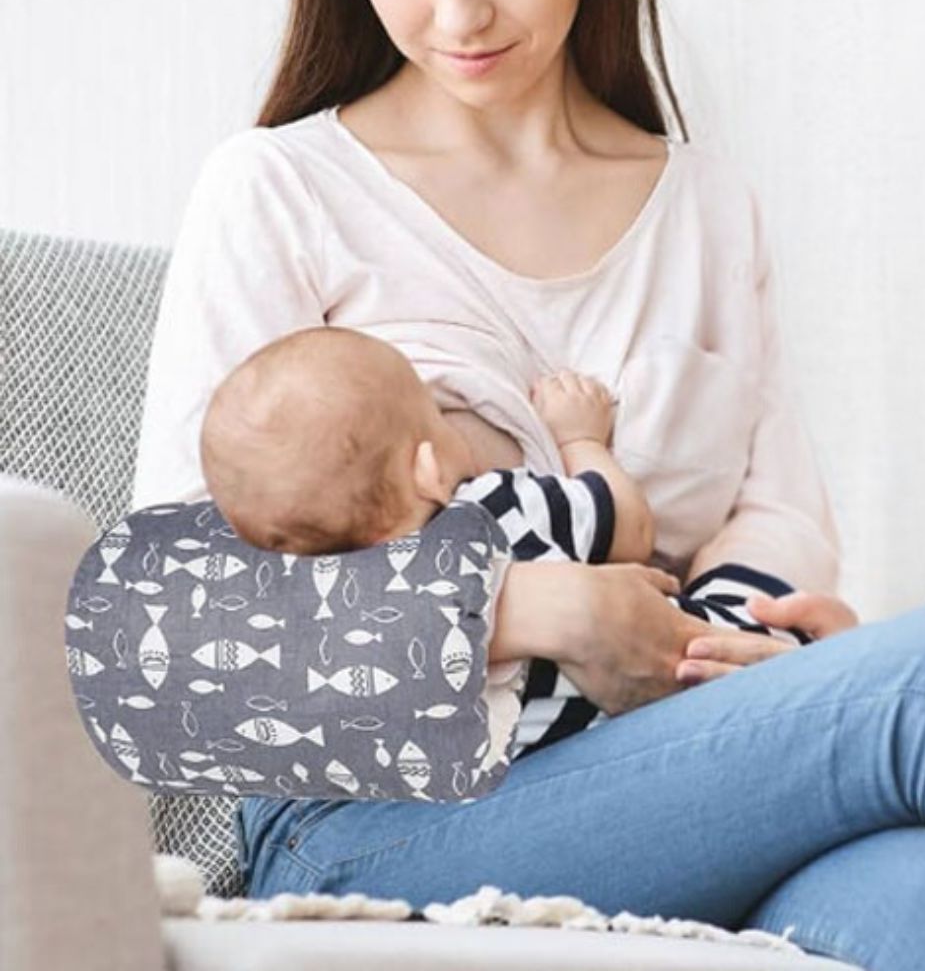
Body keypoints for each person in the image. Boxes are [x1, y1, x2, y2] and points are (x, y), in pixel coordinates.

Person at [132, 0, 925, 967]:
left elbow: (776, 525)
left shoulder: (708, 204)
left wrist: (772, 646)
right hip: (374, 819)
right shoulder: (277, 192)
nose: (458, 10)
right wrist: (533, 607)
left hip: (669, 766)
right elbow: (182, 641)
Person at [198, 324, 807, 759]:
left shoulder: (364, 656)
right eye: (437, 417)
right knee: (741, 592)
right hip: (699, 671)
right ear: (430, 469)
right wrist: (581, 441)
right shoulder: (497, 505)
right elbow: (630, 527)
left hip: (566, 770)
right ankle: (806, 635)